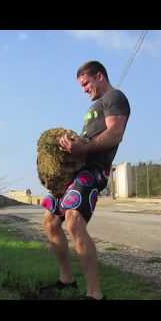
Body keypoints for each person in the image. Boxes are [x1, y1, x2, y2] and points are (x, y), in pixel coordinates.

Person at [40, 60, 130, 300]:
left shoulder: (115, 97)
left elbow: (115, 132)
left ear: (100, 76)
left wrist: (85, 147)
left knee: (74, 220)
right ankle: (67, 280)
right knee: (50, 221)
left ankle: (95, 294)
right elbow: (86, 140)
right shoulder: (96, 106)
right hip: (75, 171)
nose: (84, 89)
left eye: (86, 83)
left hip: (94, 170)